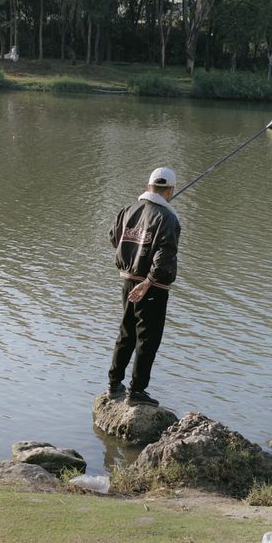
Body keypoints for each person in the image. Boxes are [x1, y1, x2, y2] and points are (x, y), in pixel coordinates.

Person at [107, 167, 181, 406]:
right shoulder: (167, 218)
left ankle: (113, 384)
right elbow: (164, 256)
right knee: (147, 339)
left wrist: (132, 264)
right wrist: (149, 282)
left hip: (127, 280)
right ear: (170, 190)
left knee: (126, 332)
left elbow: (113, 237)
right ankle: (136, 391)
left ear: (149, 186)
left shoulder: (128, 210)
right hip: (152, 286)